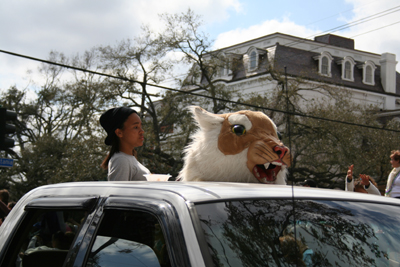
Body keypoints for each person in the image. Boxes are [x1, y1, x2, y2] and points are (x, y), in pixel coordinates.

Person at [100, 107, 150, 181]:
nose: (142, 131)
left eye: (141, 126)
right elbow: (118, 192)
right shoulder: (121, 160)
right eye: (136, 127)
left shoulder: (128, 158)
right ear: (119, 132)